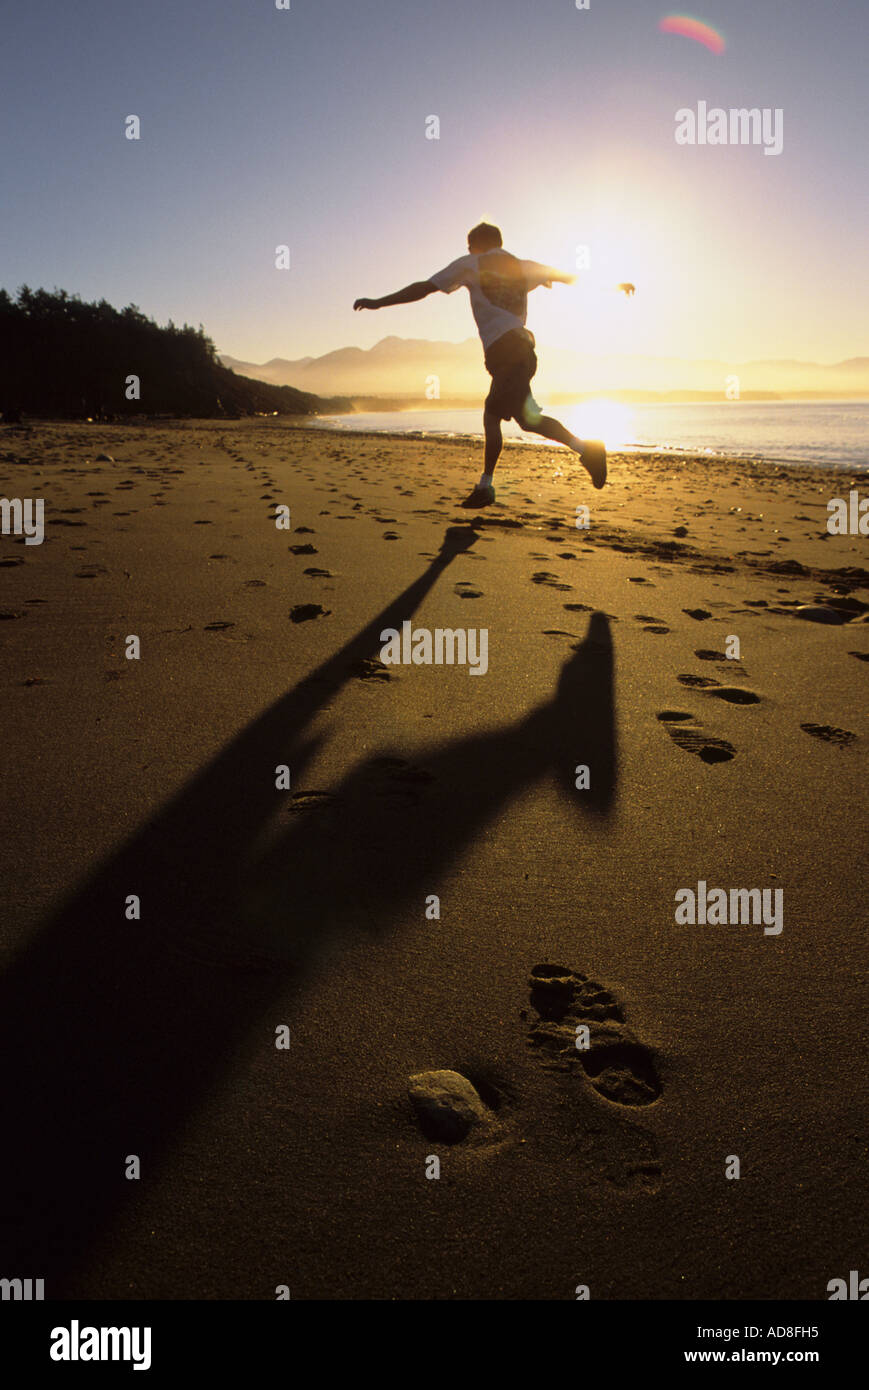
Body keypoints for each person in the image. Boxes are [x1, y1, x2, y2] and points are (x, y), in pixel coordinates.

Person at [354, 222, 628, 507]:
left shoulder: (471, 263)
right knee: (520, 419)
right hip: (521, 352)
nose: (468, 249)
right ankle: (581, 450)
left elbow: (424, 288)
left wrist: (378, 303)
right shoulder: (523, 266)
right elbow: (568, 277)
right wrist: (614, 286)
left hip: (508, 352)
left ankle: (493, 483)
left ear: (477, 243)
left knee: (498, 413)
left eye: (469, 244)